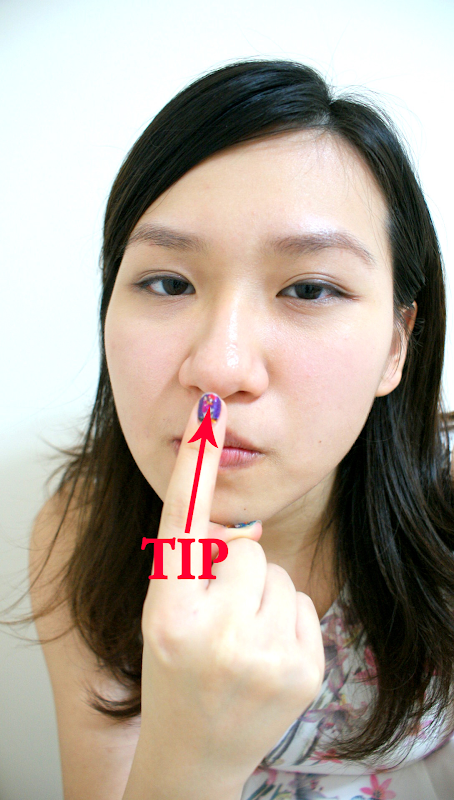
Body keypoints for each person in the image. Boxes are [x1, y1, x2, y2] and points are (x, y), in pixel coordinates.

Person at [21, 59, 454, 799]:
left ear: (396, 344)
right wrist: (191, 756)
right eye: (169, 282)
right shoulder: (84, 530)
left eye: (309, 289)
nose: (219, 368)